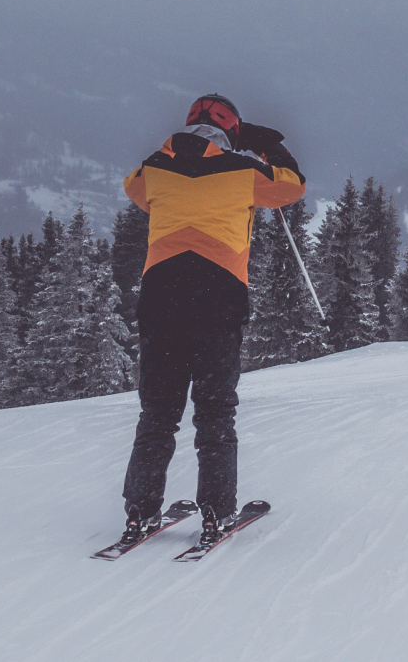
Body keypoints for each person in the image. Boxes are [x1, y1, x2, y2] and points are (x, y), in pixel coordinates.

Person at [117, 93, 305, 546]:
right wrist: (266, 146)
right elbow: (292, 187)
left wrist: (174, 150)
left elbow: (134, 187)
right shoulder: (244, 172)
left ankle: (140, 510)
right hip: (217, 302)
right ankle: (217, 512)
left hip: (160, 302)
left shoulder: (154, 170)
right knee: (215, 412)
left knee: (158, 413)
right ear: (233, 131)